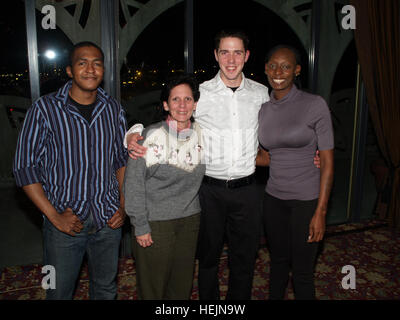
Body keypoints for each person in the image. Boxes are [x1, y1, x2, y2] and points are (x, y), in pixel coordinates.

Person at [125, 30, 320, 300]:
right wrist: (133, 133)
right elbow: (172, 117)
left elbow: (291, 121)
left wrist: (311, 151)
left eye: (237, 52)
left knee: (244, 259)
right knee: (207, 259)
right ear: (216, 56)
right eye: (225, 52)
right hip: (207, 191)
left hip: (248, 190)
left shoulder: (262, 94)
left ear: (247, 56)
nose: (231, 59)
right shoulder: (200, 94)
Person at [13, 41, 128, 300]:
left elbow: (122, 160)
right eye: (82, 63)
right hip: (64, 224)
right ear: (69, 70)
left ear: (104, 70)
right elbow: (24, 167)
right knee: (58, 291)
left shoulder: (113, 109)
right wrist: (54, 217)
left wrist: (123, 204)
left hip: (108, 219)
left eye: (97, 63)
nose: (90, 69)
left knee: (106, 288)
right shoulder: (44, 109)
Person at [258, 45, 334, 300]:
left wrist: (321, 212)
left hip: (307, 201)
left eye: (286, 66)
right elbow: (267, 157)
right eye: (273, 65)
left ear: (297, 70)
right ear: (266, 69)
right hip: (273, 199)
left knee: (302, 272)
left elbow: (327, 160)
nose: (278, 71)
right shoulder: (263, 109)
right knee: (278, 264)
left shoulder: (314, 105)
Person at [123, 75, 204, 299]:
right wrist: (140, 225)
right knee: (153, 288)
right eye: (175, 99)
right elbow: (133, 184)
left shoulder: (203, 135)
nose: (182, 105)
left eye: (188, 99)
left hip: (189, 220)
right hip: (155, 223)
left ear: (195, 104)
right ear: (166, 105)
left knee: (182, 285)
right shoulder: (149, 136)